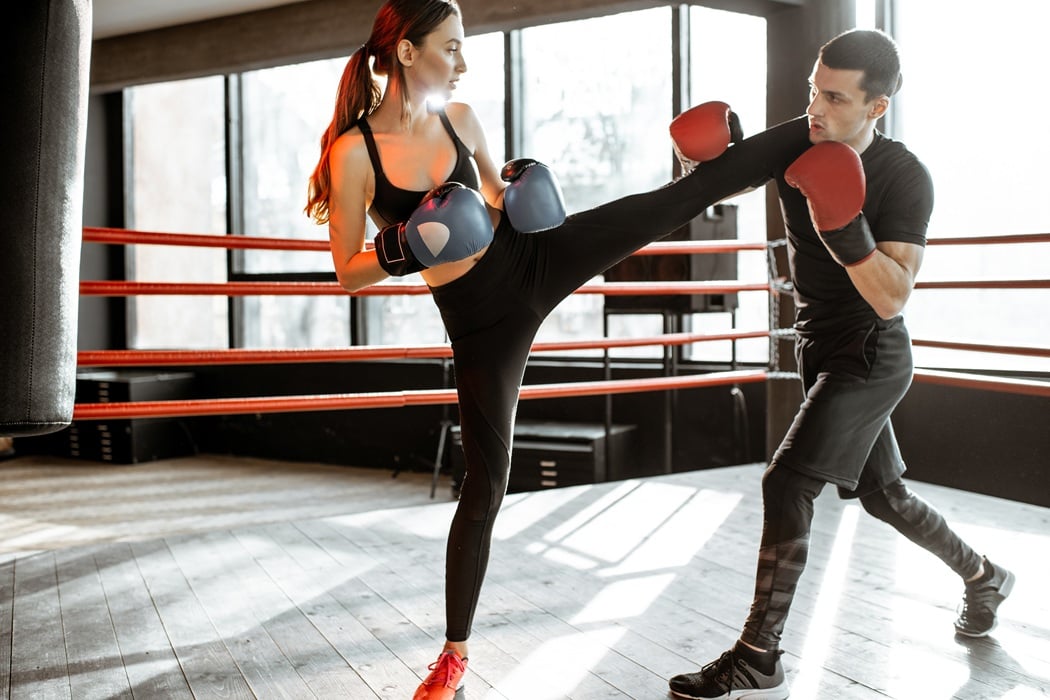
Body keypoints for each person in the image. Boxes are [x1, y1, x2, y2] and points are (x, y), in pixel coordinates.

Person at [304, 1, 814, 697]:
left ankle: (813, 130)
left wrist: (521, 189)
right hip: (483, 321)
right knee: (486, 482)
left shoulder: (463, 119)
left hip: (536, 257)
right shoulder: (353, 152)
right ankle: (453, 658)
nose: (463, 61)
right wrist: (400, 246)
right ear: (406, 52)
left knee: (668, 204)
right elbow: (346, 269)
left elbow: (494, 201)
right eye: (451, 47)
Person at [668, 29, 1015, 700]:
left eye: (834, 97)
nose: (815, 110)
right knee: (885, 497)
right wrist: (697, 157)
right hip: (817, 348)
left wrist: (843, 226)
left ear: (876, 107)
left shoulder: (903, 176)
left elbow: (893, 294)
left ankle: (758, 654)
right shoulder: (800, 138)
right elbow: (710, 190)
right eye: (811, 90)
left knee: (785, 483)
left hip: (872, 354)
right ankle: (984, 577)